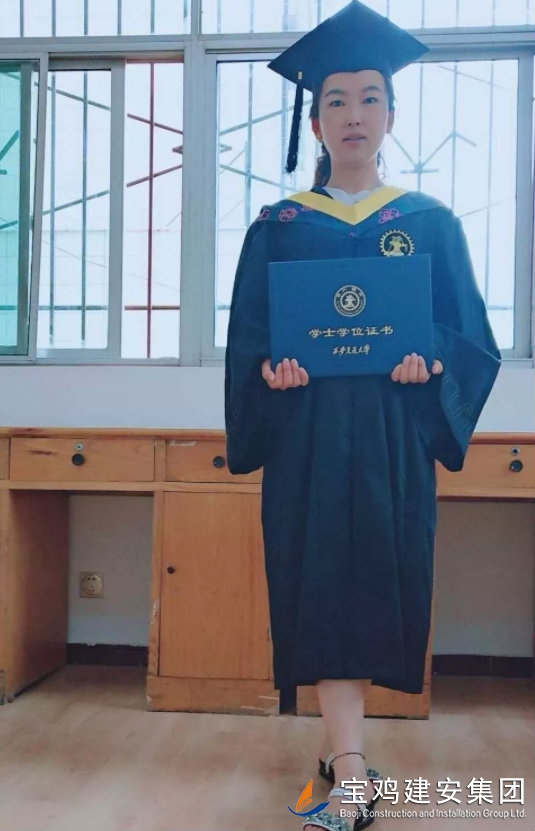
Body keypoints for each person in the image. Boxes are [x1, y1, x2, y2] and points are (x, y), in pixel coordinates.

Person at [224, 2, 501, 830]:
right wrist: (269, 371)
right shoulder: (278, 227)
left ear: (390, 116)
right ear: (314, 122)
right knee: (318, 584)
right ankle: (349, 764)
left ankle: (343, 755)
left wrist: (431, 361)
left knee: (373, 584)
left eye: (369, 98)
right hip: (307, 436)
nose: (353, 114)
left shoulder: (428, 223)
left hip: (389, 436)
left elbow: (468, 337)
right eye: (336, 100)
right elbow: (250, 339)